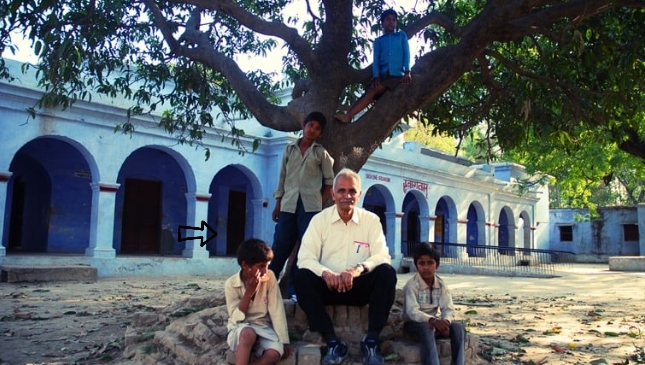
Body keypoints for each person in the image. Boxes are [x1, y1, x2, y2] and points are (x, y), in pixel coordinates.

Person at [294, 168, 397, 365]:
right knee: (301, 277)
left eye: (352, 191)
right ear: (333, 194)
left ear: (360, 194)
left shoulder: (371, 221)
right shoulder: (319, 221)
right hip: (328, 287)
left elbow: (382, 255)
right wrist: (326, 273)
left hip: (358, 286)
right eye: (341, 191)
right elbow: (305, 258)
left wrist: (358, 269)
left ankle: (372, 340)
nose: (346, 196)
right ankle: (332, 341)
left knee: (387, 273)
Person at [268, 111, 335, 302]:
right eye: (310, 125)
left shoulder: (320, 153)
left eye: (317, 128)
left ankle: (293, 291)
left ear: (320, 133)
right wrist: (278, 203)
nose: (312, 130)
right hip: (288, 204)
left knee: (304, 248)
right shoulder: (289, 150)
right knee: (280, 245)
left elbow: (329, 182)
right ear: (304, 126)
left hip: (310, 208)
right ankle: (268, 286)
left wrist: (318, 204)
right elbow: (282, 178)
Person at [334, 9, 411, 124]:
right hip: (383, 75)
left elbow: (406, 54)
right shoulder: (379, 41)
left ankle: (348, 116)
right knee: (369, 91)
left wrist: (407, 71)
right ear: (383, 23)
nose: (391, 22)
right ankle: (349, 115)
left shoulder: (401, 36)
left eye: (394, 20)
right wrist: (376, 76)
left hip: (396, 76)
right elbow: (376, 61)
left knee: (372, 92)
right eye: (388, 20)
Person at [225, 238, 293, 365]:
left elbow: (276, 309)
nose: (265, 271)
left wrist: (284, 341)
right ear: (245, 265)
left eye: (267, 266)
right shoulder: (231, 284)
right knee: (248, 334)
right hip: (240, 328)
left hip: (263, 327)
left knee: (275, 353)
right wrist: (249, 292)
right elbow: (236, 318)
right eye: (261, 266)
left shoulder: (269, 277)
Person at [402, 243, 466, 365]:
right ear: (416, 265)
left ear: (437, 265)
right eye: (422, 263)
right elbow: (412, 312)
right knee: (427, 328)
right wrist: (433, 321)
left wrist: (446, 323)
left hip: (434, 326)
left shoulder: (441, 285)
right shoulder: (411, 286)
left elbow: (448, 308)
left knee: (458, 328)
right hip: (413, 326)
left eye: (430, 263)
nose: (426, 267)